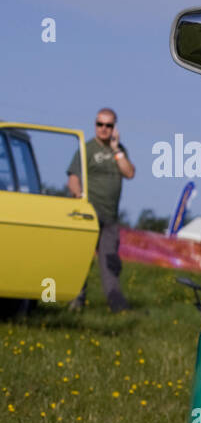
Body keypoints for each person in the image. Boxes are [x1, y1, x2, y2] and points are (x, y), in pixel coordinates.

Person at [67, 107, 135, 312]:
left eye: (108, 125)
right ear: (95, 125)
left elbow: (129, 173)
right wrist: (79, 199)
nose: (104, 129)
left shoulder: (119, 149)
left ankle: (117, 306)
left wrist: (116, 149)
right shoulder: (86, 149)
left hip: (110, 217)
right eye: (100, 124)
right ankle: (75, 301)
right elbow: (73, 179)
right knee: (81, 261)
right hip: (88, 214)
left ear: (114, 127)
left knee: (110, 263)